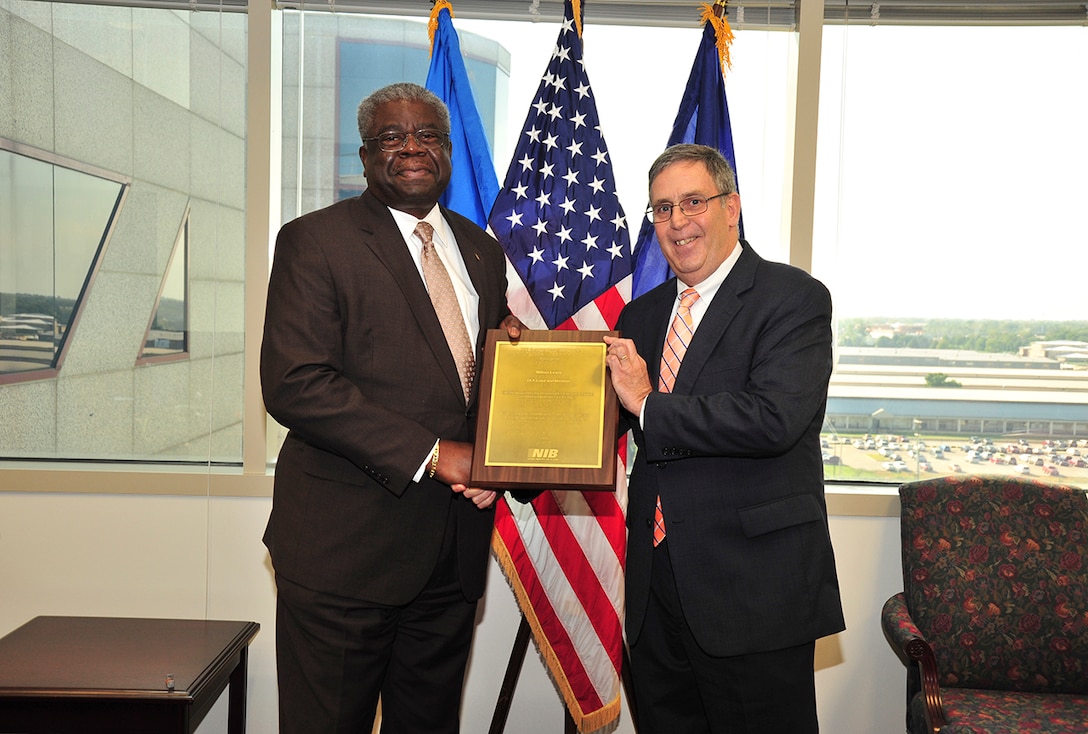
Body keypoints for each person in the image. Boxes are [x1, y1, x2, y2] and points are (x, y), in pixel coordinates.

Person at [261, 82, 522, 734]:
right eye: (392, 137)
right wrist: (437, 456)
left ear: (448, 151)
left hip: (449, 561)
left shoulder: (483, 253)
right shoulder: (314, 241)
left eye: (427, 135)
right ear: (364, 155)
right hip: (342, 558)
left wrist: (527, 382)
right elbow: (296, 382)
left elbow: (467, 378)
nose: (411, 147)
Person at [604, 143, 845, 733]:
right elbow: (595, 426)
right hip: (656, 591)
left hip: (752, 591)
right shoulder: (641, 315)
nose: (678, 221)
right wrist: (505, 459)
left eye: (693, 202)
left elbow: (772, 418)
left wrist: (648, 405)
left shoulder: (792, 299)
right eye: (662, 209)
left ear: (731, 207)